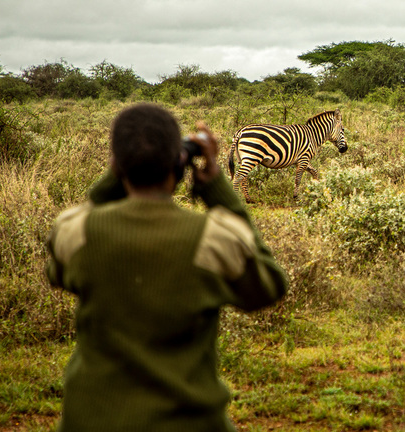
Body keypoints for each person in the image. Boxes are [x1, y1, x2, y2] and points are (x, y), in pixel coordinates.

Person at [45, 103, 289, 431]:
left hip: (91, 420)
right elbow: (270, 286)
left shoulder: (76, 233)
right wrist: (220, 191)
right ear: (179, 162)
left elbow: (57, 268)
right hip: (190, 422)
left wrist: (115, 177)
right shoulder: (213, 238)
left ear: (116, 166)